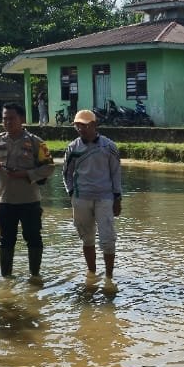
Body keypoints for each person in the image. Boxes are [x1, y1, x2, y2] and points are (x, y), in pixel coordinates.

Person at [0, 102, 55, 279]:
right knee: (5, 241)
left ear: (21, 119)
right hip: (5, 201)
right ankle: (6, 279)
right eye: (4, 119)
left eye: (11, 118)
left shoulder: (36, 142)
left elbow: (49, 167)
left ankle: (35, 276)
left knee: (33, 238)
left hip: (29, 201)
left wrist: (27, 174)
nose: (7, 122)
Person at [62, 109, 122, 279]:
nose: (81, 129)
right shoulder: (73, 148)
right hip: (81, 198)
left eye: (84, 125)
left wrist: (118, 198)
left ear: (94, 125)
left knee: (108, 239)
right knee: (86, 238)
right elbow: (66, 173)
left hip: (105, 198)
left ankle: (109, 276)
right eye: (78, 126)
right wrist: (71, 192)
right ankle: (92, 273)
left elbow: (116, 173)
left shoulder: (109, 147)